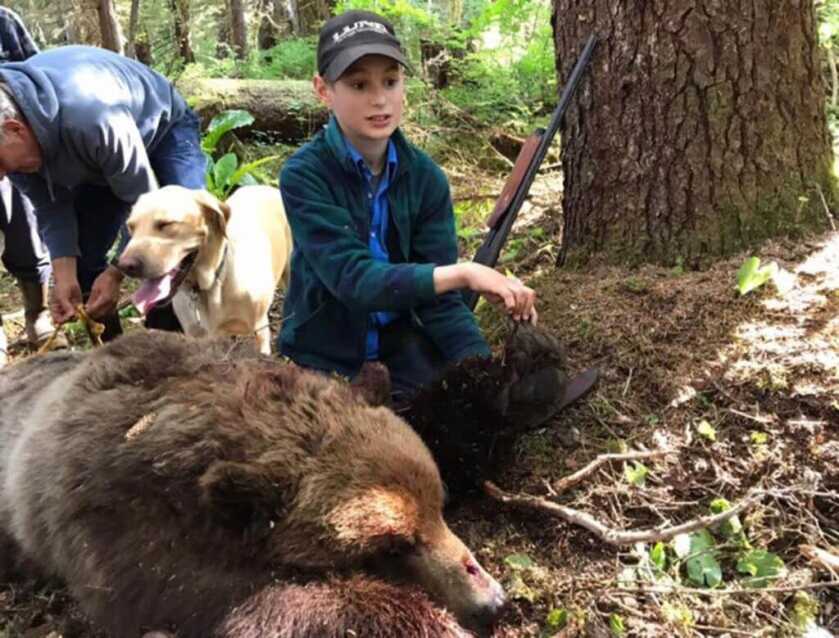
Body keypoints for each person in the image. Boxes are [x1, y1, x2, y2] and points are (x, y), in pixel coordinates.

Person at [278, 10, 537, 402]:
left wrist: (483, 372)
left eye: (390, 81)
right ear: (323, 89)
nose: (379, 98)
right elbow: (355, 281)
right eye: (358, 83)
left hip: (401, 346)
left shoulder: (425, 178)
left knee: (457, 424)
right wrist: (466, 273)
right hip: (323, 354)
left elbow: (442, 304)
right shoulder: (305, 175)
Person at [0, 44, 206, 340]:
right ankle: (116, 356)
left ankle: (170, 342)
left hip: (162, 129)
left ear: (15, 129)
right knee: (83, 262)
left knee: (173, 233)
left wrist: (115, 274)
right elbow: (50, 208)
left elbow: (145, 208)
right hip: (94, 160)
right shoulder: (13, 152)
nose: (1, 175)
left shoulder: (90, 117)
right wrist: (64, 276)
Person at [0, 5, 59, 365]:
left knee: (23, 221)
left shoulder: (3, 21)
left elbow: (36, 75)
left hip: (7, 137)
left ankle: (37, 313)